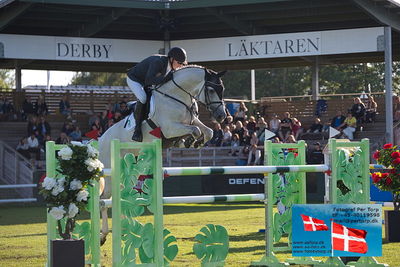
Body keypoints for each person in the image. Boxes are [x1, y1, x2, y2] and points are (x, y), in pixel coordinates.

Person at [127, 47, 188, 142]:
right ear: (171, 59)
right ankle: (137, 130)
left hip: (146, 82)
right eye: (179, 63)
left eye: (182, 64)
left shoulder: (170, 67)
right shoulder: (158, 62)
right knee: (143, 98)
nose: (180, 66)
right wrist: (166, 78)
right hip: (135, 79)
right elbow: (149, 80)